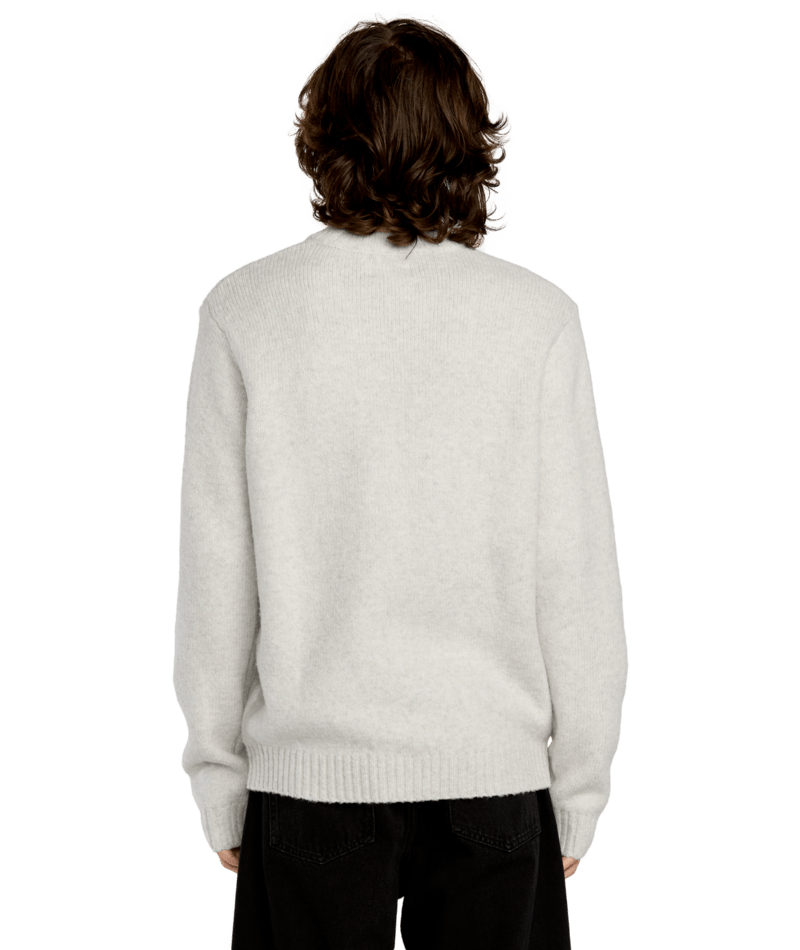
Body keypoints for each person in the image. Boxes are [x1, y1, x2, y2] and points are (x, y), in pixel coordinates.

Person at [172, 9, 628, 949]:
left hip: (308, 783)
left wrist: (219, 777)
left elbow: (217, 572)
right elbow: (576, 574)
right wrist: (579, 787)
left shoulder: (246, 309)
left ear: (321, 137)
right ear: (472, 142)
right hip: (496, 778)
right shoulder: (538, 318)